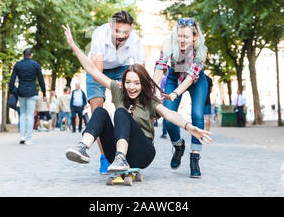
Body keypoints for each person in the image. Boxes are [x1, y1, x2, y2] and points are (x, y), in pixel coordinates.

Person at [62, 24, 212, 177]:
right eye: (128, 82)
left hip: (143, 153)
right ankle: (83, 147)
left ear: (142, 84)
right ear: (123, 82)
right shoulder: (119, 91)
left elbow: (168, 114)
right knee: (100, 111)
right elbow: (93, 70)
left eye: (136, 83)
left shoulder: (149, 100)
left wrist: (188, 126)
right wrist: (73, 45)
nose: (131, 87)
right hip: (115, 152)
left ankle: (121, 158)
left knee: (121, 112)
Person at [86, 10, 145, 174]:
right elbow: (98, 73)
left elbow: (141, 71)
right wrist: (113, 85)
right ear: (111, 27)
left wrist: (132, 87)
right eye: (117, 31)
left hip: (121, 69)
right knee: (97, 108)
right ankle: (105, 157)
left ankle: (125, 154)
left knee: (126, 109)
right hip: (97, 69)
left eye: (126, 32)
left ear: (131, 30)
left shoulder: (135, 40)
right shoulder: (99, 34)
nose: (121, 35)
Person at [153, 17, 209, 178]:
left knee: (197, 115)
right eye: (180, 36)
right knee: (169, 118)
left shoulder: (201, 51)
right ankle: (178, 146)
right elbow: (160, 66)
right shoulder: (168, 44)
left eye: (186, 37)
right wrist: (152, 88)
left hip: (196, 81)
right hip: (173, 77)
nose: (182, 40)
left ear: (195, 37)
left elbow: (191, 78)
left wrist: (175, 93)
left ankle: (195, 157)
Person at [9, 48, 46, 145]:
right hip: (32, 92)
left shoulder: (18, 64)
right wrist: (44, 92)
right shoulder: (35, 65)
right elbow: (41, 79)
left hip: (21, 92)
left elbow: (12, 79)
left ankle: (22, 136)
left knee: (22, 114)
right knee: (30, 115)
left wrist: (11, 90)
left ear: (23, 55)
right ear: (31, 55)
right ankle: (28, 139)